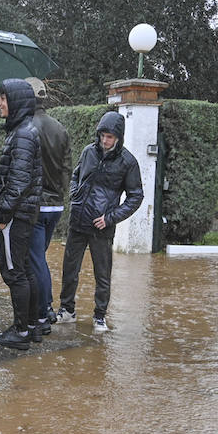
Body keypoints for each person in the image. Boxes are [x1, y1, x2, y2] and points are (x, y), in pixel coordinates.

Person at [56, 111, 145, 332]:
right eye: (103, 135)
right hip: (78, 221)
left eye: (110, 137)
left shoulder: (128, 162)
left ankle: (99, 317)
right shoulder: (88, 152)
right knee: (69, 270)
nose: (105, 141)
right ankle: (67, 311)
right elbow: (76, 175)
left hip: (102, 226)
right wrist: (74, 196)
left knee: (102, 274)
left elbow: (136, 196)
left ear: (118, 138)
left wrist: (110, 218)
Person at [0, 78, 44, 350]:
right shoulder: (23, 130)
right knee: (24, 270)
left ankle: (20, 332)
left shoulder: (22, 134)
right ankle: (30, 327)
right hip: (22, 214)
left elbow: (18, 182)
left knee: (13, 272)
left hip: (14, 216)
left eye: (3, 98)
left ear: (17, 102)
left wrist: (3, 212)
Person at [27, 79, 70, 337]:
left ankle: (43, 311)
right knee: (38, 258)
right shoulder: (60, 127)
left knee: (36, 261)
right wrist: (60, 195)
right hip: (55, 205)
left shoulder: (26, 127)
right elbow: (67, 169)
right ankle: (46, 307)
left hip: (35, 205)